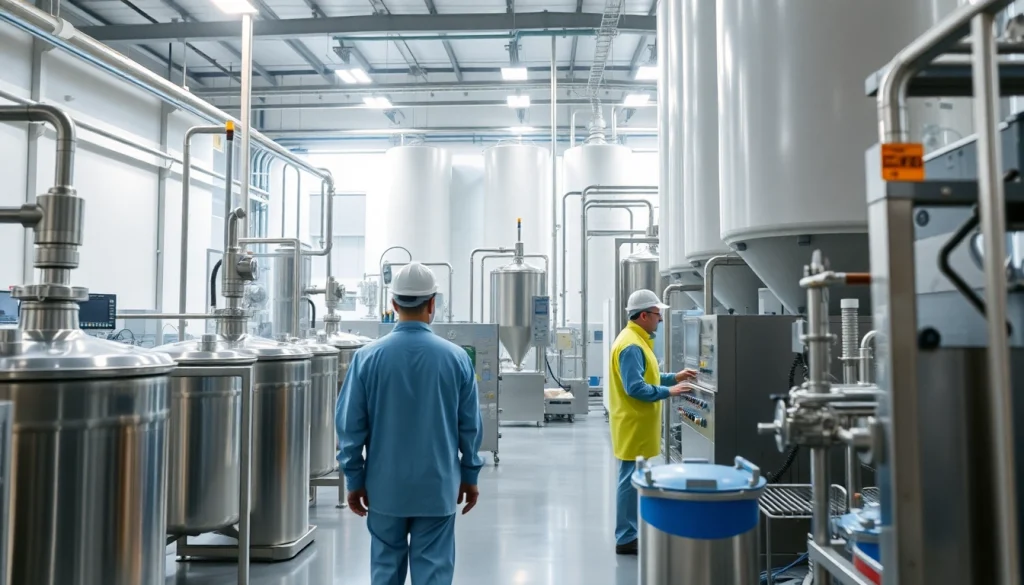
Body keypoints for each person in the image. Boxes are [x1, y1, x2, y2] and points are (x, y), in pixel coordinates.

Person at [336, 262, 485, 585]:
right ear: (432, 304)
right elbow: (470, 426)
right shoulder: (457, 358)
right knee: (433, 572)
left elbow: (350, 426)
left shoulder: (366, 358)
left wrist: (354, 478)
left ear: (393, 304)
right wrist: (470, 474)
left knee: (385, 570)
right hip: (437, 488)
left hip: (384, 488)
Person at [609, 289, 698, 555]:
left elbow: (649, 376)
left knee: (632, 476)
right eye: (658, 314)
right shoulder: (631, 346)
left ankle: (631, 531)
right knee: (629, 479)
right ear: (644, 315)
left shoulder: (636, 340)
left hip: (637, 422)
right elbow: (635, 388)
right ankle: (626, 538)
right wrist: (669, 391)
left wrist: (674, 377)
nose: (660, 319)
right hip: (633, 422)